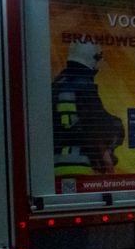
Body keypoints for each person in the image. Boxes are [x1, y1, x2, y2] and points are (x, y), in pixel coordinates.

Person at [52, 40, 123, 178]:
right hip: (81, 164)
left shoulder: (56, 85)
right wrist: (107, 155)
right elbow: (99, 124)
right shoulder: (84, 86)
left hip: (55, 163)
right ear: (91, 58)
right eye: (98, 59)